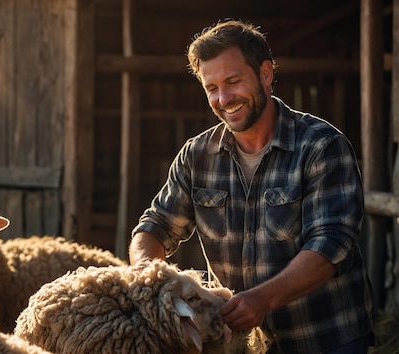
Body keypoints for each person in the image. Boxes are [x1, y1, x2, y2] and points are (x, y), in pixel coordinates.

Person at [128, 20, 374, 353]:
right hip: (240, 343)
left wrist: (263, 299)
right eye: (211, 88)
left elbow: (332, 246)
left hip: (325, 338)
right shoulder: (196, 156)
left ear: (266, 73)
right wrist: (148, 277)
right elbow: (154, 227)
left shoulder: (321, 146)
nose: (223, 98)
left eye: (233, 81)